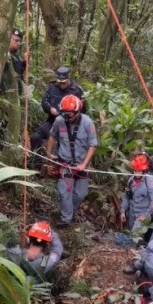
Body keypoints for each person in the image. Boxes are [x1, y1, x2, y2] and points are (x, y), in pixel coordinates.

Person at [45, 95, 97, 226]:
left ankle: (67, 210)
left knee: (80, 194)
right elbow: (52, 136)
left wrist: (84, 164)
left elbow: (92, 145)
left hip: (81, 164)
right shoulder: (59, 121)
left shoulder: (87, 123)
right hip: (65, 163)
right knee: (64, 192)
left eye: (70, 114)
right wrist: (49, 154)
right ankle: (65, 218)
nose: (67, 117)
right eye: (65, 114)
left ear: (78, 111)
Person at [31, 66, 87, 152]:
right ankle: (36, 162)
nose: (61, 85)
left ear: (69, 78)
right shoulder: (52, 86)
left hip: (69, 124)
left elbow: (82, 111)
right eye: (60, 83)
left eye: (64, 83)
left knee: (63, 145)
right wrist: (50, 108)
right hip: (52, 121)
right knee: (35, 137)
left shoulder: (76, 91)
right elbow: (44, 101)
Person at [120, 154, 153, 238]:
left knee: (136, 237)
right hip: (132, 214)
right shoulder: (131, 180)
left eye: (139, 171)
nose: (137, 174)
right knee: (131, 235)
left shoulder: (150, 181)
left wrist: (146, 215)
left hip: (143, 214)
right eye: (135, 171)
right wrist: (123, 210)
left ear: (144, 171)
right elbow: (126, 196)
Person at [0, 27, 25, 96]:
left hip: (16, 94)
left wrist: (25, 63)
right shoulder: (2, 54)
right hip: (5, 94)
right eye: (16, 41)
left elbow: (19, 72)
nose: (19, 43)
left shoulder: (16, 56)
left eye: (20, 41)